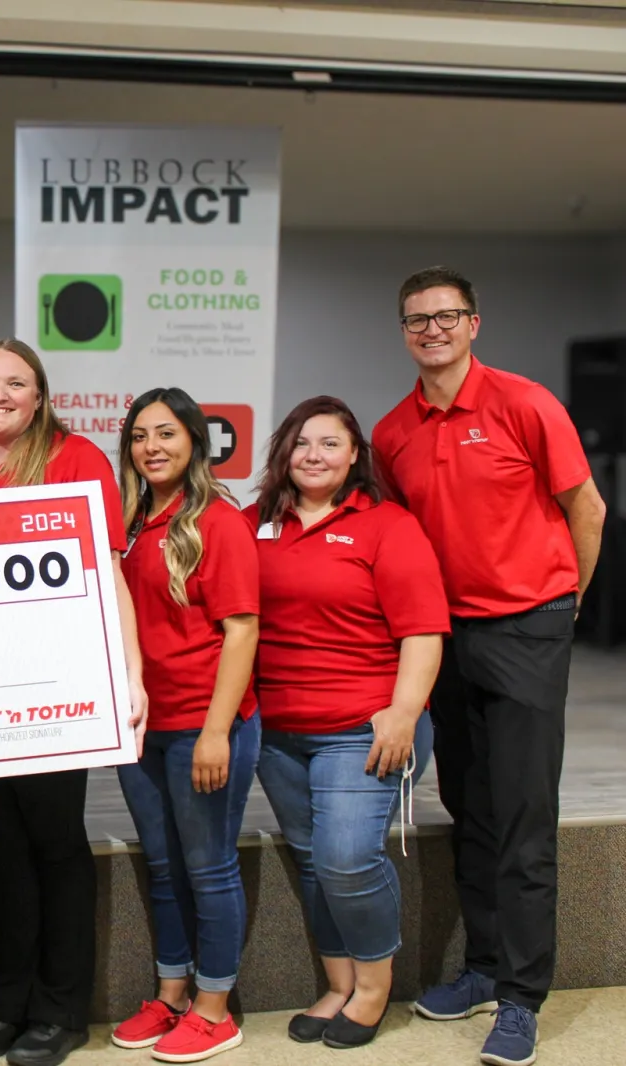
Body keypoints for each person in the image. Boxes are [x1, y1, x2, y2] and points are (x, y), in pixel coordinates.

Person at [373, 266, 605, 1066]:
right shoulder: (393, 431)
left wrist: (566, 603)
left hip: (527, 627)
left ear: (475, 323)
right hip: (447, 638)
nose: (431, 330)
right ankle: (482, 967)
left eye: (446, 316)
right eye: (416, 320)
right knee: (468, 808)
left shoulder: (525, 403)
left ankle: (522, 996)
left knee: (523, 818)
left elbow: (588, 508)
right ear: (403, 333)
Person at [0, 339, 146, 1066]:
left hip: (56, 689)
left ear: (39, 396)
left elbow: (110, 573)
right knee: (2, 851)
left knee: (54, 846)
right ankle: (5, 1007)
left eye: (15, 383)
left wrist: (129, 676)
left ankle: (60, 1009)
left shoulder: (76, 460)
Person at [247, 397, 447, 1051]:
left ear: (355, 455)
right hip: (277, 732)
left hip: (362, 726)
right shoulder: (255, 523)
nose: (313, 455)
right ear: (283, 453)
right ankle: (337, 983)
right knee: (311, 858)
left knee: (345, 857)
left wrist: (404, 712)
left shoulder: (386, 526)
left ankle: (373, 986)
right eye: (301, 443)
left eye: (330, 443)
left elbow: (422, 630)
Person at [108, 387, 259, 1064]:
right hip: (145, 726)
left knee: (209, 867)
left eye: (166, 434)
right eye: (140, 436)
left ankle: (215, 1006)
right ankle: (172, 994)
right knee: (166, 868)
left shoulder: (216, 522)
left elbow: (241, 631)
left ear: (194, 440)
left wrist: (217, 731)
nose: (152, 447)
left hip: (204, 722)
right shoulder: (133, 519)